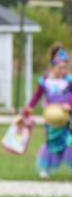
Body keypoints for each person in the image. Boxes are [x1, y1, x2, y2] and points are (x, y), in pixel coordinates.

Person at [22, 44, 72, 178]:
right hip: (52, 118)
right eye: (60, 67)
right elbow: (37, 95)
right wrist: (29, 108)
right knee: (52, 142)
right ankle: (46, 168)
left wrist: (69, 104)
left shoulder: (69, 80)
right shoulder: (45, 80)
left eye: (65, 67)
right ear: (53, 66)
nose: (63, 70)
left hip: (68, 116)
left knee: (70, 140)